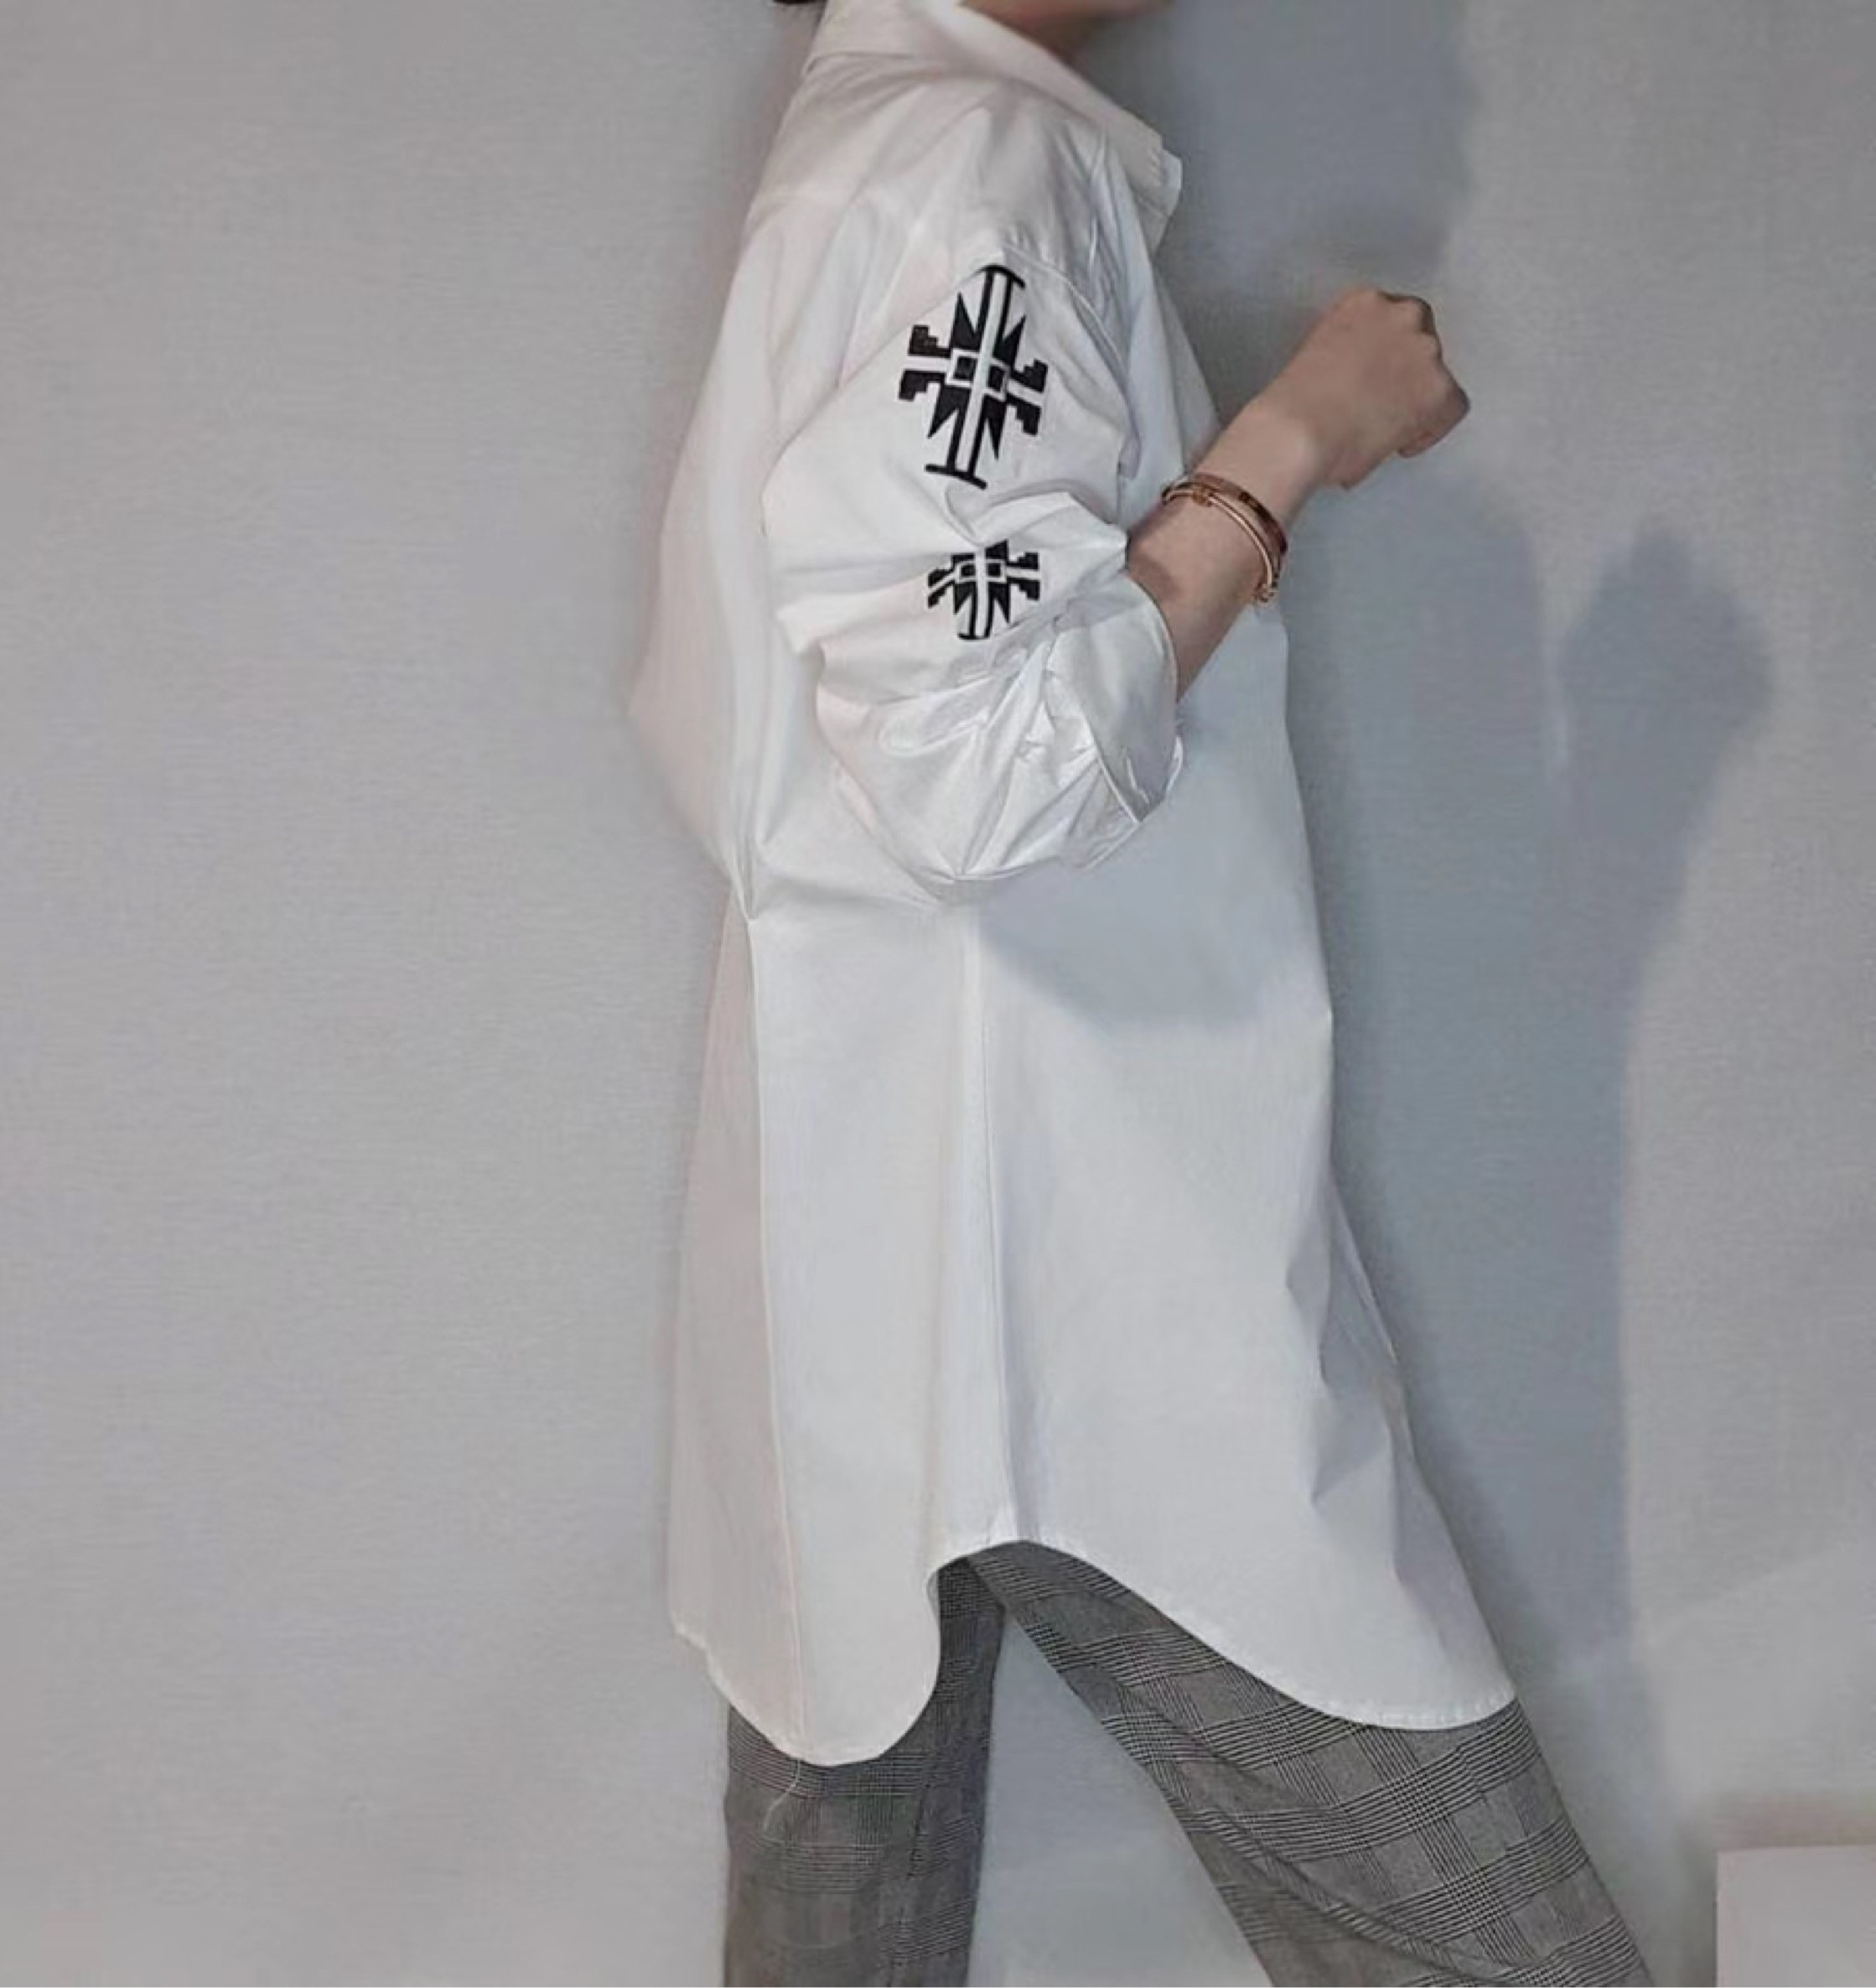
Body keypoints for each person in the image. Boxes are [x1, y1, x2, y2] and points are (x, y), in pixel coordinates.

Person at [626, 0, 1658, 1981]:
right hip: (1072, 1275)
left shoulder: (880, 152)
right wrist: (1293, 439)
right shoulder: (965, 172)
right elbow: (981, 767)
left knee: (839, 1922)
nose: (1446, 93)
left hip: (867, 1241)